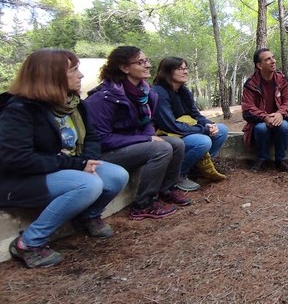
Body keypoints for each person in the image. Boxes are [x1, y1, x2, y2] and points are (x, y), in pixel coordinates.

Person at [0, 50, 129, 268]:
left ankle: (88, 215)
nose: (80, 75)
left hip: (65, 168)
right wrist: (77, 164)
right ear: (50, 75)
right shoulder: (19, 110)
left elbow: (93, 137)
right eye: (73, 70)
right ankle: (28, 243)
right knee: (88, 184)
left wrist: (87, 159)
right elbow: (18, 159)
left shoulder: (74, 103)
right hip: (21, 179)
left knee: (117, 175)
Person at [84, 46, 191, 221]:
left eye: (147, 61)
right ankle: (144, 204)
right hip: (105, 154)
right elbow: (102, 139)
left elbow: (147, 121)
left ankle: (167, 189)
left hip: (133, 144)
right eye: (141, 62)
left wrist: (149, 136)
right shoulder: (104, 98)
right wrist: (147, 138)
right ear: (124, 68)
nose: (148, 65)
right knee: (161, 148)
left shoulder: (144, 92)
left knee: (177, 144)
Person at [152, 57, 229, 190]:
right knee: (203, 141)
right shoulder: (159, 92)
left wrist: (209, 124)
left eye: (186, 68)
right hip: (164, 134)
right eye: (180, 69)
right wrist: (203, 130)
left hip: (181, 130)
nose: (185, 72)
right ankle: (178, 175)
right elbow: (169, 125)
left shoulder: (183, 91)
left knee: (221, 130)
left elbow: (195, 115)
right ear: (167, 72)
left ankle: (196, 168)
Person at [242, 48, 288, 172]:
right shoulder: (251, 84)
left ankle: (280, 160)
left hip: (280, 118)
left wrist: (280, 113)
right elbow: (248, 108)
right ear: (259, 65)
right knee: (261, 128)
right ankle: (262, 159)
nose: (273, 61)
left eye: (273, 57)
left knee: (283, 126)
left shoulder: (284, 81)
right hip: (260, 121)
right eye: (268, 59)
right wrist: (264, 117)